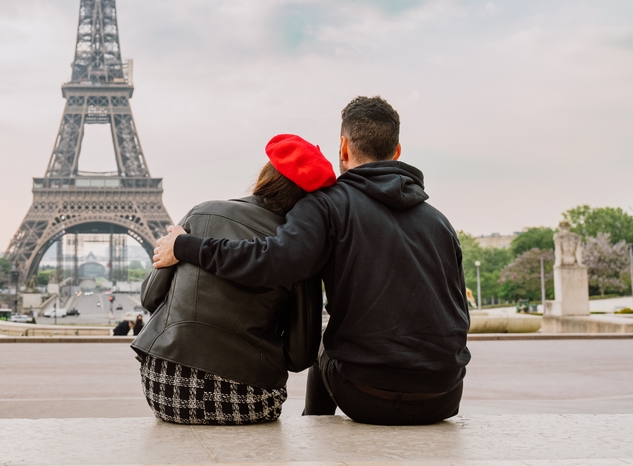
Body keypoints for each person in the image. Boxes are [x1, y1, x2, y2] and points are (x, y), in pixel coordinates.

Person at [152, 96, 470, 426]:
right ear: (397, 151)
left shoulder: (328, 205)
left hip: (367, 396)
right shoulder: (439, 222)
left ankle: (314, 427)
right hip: (445, 397)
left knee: (327, 349)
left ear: (344, 148)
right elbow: (459, 309)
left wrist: (185, 246)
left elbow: (272, 261)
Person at [131, 134, 335, 425]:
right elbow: (300, 356)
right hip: (248, 397)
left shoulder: (200, 214)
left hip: (165, 387)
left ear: (266, 174)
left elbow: (150, 297)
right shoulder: (299, 254)